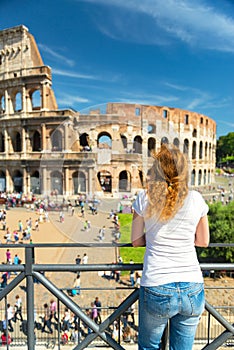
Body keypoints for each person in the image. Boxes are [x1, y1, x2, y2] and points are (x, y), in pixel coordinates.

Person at [131, 145, 210, 350]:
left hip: (157, 283)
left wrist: (157, 238)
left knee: (149, 347)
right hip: (192, 284)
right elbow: (203, 241)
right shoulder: (196, 199)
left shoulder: (144, 198)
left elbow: (136, 241)